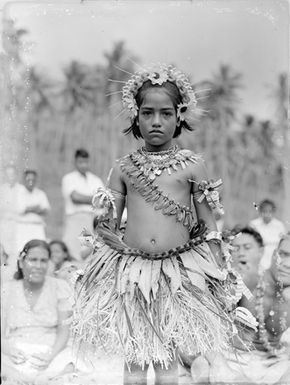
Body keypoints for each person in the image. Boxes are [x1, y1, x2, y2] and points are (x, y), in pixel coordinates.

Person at [72, 64, 255, 385]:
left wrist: (220, 275)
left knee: (168, 360)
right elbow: (107, 227)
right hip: (131, 273)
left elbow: (208, 227)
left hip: (178, 275)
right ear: (136, 117)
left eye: (166, 113)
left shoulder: (192, 165)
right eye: (148, 113)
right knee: (135, 361)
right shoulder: (124, 168)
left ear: (179, 117)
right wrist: (102, 221)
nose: (156, 121)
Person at [202, 231, 290, 384]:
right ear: (274, 253)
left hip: (272, 364)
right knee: (202, 366)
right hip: (231, 360)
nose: (287, 263)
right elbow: (204, 327)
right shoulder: (244, 280)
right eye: (284, 254)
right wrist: (221, 366)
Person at [1, 239, 74, 385]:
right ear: (21, 263)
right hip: (15, 351)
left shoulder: (60, 287)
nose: (38, 266)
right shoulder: (6, 289)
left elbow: (64, 331)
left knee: (70, 363)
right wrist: (8, 350)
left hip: (51, 351)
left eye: (43, 260)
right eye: (33, 260)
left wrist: (50, 355)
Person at [61, 148, 104, 260]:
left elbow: (103, 200)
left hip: (91, 220)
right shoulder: (69, 178)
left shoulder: (95, 179)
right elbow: (75, 198)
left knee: (87, 252)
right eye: (80, 162)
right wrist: (94, 199)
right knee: (71, 250)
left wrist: (86, 198)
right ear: (75, 162)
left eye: (86, 162)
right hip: (75, 219)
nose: (84, 165)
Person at [16, 170, 50, 254]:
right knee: (21, 251)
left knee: (40, 250)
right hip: (23, 227)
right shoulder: (18, 193)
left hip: (38, 227)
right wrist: (36, 208)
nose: (30, 182)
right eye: (28, 179)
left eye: (33, 180)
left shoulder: (40, 193)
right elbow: (21, 209)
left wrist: (29, 208)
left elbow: (45, 210)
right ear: (24, 180)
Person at [250, 199, 286, 271]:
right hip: (259, 258)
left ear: (273, 212)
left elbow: (283, 244)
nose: (267, 214)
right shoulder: (253, 224)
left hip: (275, 258)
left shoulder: (279, 226)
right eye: (264, 211)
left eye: (270, 212)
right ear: (260, 212)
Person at [0, 164, 23, 262]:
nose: (10, 177)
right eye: (8, 175)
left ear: (16, 175)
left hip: (18, 222)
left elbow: (22, 207)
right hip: (4, 222)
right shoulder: (2, 189)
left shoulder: (22, 189)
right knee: (4, 246)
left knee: (16, 248)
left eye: (12, 174)